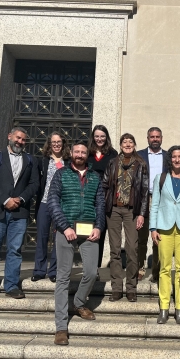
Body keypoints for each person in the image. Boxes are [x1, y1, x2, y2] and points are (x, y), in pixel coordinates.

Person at [48, 140, 105, 346]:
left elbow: (100, 203)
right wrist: (65, 226)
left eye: (83, 152)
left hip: (88, 231)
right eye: (76, 151)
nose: (80, 154)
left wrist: (99, 226)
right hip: (66, 230)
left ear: (87, 154)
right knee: (63, 277)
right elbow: (53, 201)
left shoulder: (94, 177)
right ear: (70, 153)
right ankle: (61, 327)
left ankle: (79, 302)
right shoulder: (61, 174)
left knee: (90, 272)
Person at [0, 127, 39, 300]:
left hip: (19, 212)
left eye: (23, 140)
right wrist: (6, 200)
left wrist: (20, 198)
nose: (20, 141)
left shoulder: (30, 160)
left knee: (15, 250)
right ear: (9, 136)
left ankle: (11, 285)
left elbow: (34, 184)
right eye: (18, 138)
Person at [150, 145, 180, 325]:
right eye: (174, 157)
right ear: (169, 159)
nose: (177, 159)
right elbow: (154, 204)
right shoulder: (160, 179)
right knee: (164, 269)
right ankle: (164, 308)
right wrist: (153, 228)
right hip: (164, 228)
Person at [102, 133, 148, 302]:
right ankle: (116, 288)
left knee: (132, 249)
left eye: (130, 142)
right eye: (124, 142)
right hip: (114, 209)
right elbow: (105, 185)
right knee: (114, 249)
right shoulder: (113, 163)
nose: (127, 144)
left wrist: (142, 214)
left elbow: (144, 191)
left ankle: (131, 288)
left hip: (132, 211)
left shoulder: (141, 164)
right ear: (120, 145)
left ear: (134, 145)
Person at [32, 132, 70, 283]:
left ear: (63, 143)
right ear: (49, 143)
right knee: (42, 236)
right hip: (44, 202)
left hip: (61, 205)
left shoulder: (68, 161)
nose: (56, 144)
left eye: (59, 142)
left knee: (58, 238)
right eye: (53, 142)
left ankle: (54, 270)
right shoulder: (43, 161)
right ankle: (39, 270)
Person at [86, 125, 118, 275]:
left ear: (107, 138)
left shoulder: (112, 154)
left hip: (105, 198)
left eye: (102, 136)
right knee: (86, 232)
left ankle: (96, 268)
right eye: (97, 136)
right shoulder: (87, 153)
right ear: (93, 137)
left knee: (100, 232)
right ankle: (87, 267)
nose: (99, 139)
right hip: (87, 198)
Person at [137, 127, 167, 282]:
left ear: (161, 138)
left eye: (157, 137)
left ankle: (157, 271)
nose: (155, 139)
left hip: (162, 199)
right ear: (147, 138)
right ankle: (140, 268)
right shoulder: (139, 155)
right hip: (144, 198)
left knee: (159, 238)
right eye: (152, 137)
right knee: (141, 236)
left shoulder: (168, 156)